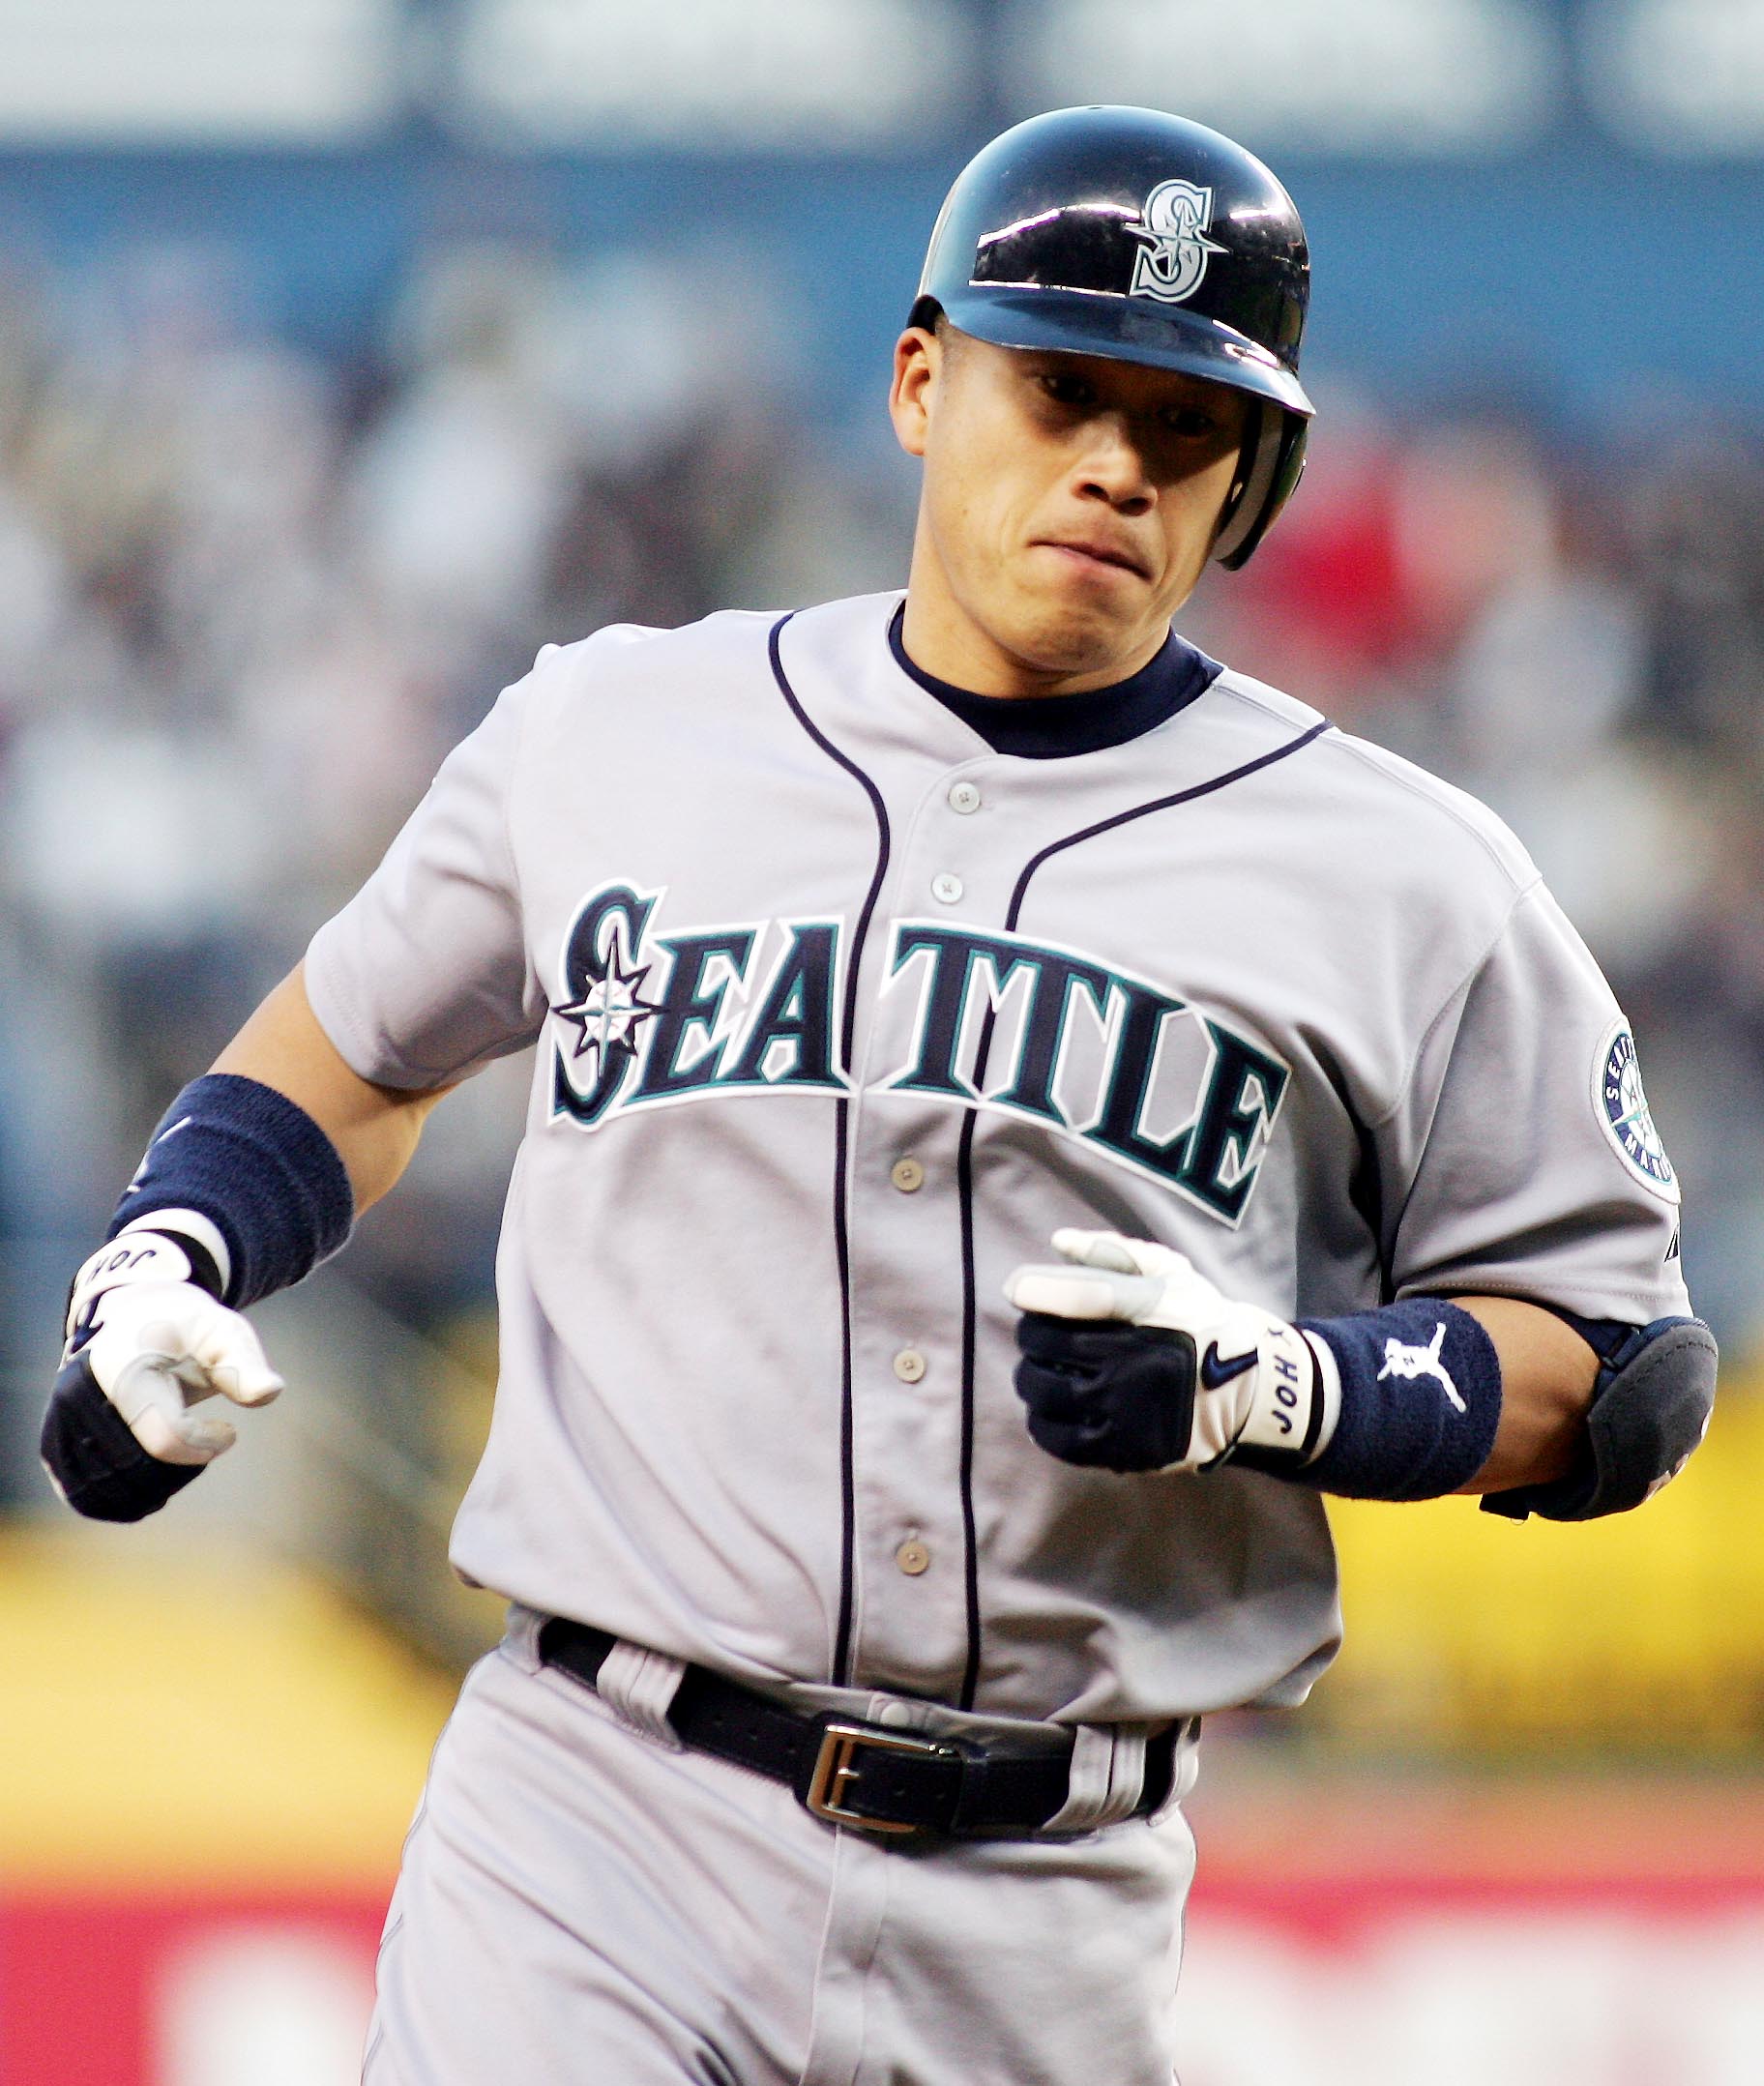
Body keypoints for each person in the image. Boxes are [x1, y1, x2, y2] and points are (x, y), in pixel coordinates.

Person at [41, 107, 1716, 2085]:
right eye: (1060, 389)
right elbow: (354, 1053)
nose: (1116, 463)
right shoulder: (614, 732)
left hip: (1051, 1891)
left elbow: (1620, 1372)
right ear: (923, 382)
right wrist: (164, 1252)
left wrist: (1282, 1386)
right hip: (594, 1824)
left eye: (1185, 424)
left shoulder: (1407, 875)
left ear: (1252, 480)